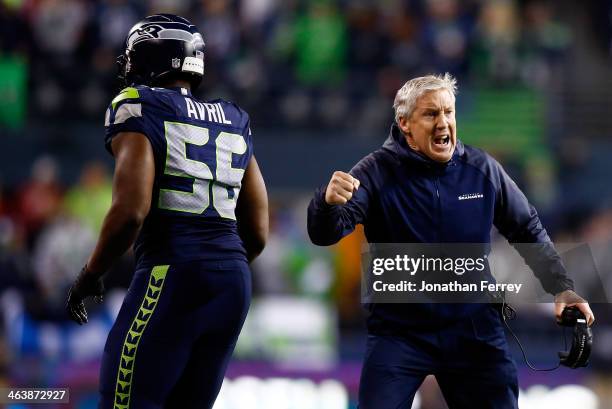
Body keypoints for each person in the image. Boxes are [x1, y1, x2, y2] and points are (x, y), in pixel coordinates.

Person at [307, 73, 594, 409]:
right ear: (405, 124)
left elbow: (527, 228)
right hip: (400, 333)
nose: (443, 122)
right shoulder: (374, 172)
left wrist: (562, 287)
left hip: (473, 330)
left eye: (449, 112)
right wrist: (325, 205)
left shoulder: (482, 169)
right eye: (431, 114)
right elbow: (325, 233)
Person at [65, 14, 268, 409]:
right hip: (233, 283)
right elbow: (258, 228)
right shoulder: (233, 117)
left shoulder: (137, 105)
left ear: (149, 58)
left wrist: (91, 274)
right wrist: (220, 263)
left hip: (171, 271)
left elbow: (130, 211)